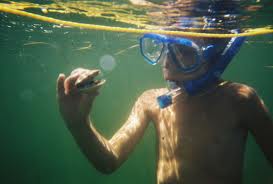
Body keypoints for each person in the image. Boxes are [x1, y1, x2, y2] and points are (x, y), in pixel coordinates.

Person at [56, 5, 273, 184]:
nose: (168, 62)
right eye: (163, 48)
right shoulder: (150, 101)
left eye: (185, 51)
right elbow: (108, 162)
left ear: (215, 57)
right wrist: (79, 123)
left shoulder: (240, 99)